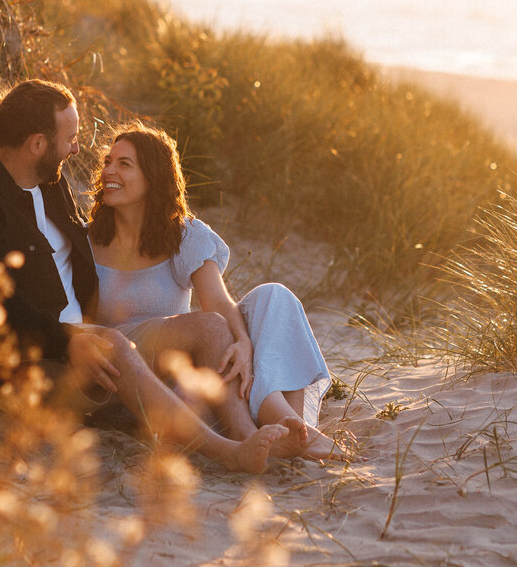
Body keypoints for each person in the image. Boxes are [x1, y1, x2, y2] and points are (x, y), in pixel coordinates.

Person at [0, 79, 294, 472]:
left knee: (211, 327)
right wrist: (67, 341)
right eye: (70, 138)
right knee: (113, 344)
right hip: (33, 363)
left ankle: (245, 435)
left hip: (93, 342)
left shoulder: (49, 186)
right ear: (37, 144)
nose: (76, 148)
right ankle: (225, 453)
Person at [88, 122, 344, 460]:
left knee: (274, 296)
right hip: (143, 382)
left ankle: (289, 427)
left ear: (153, 176)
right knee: (211, 328)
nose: (109, 170)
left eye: (124, 163)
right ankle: (263, 433)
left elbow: (219, 301)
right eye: (108, 161)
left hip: (196, 372)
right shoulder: (84, 240)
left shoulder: (183, 234)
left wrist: (243, 343)